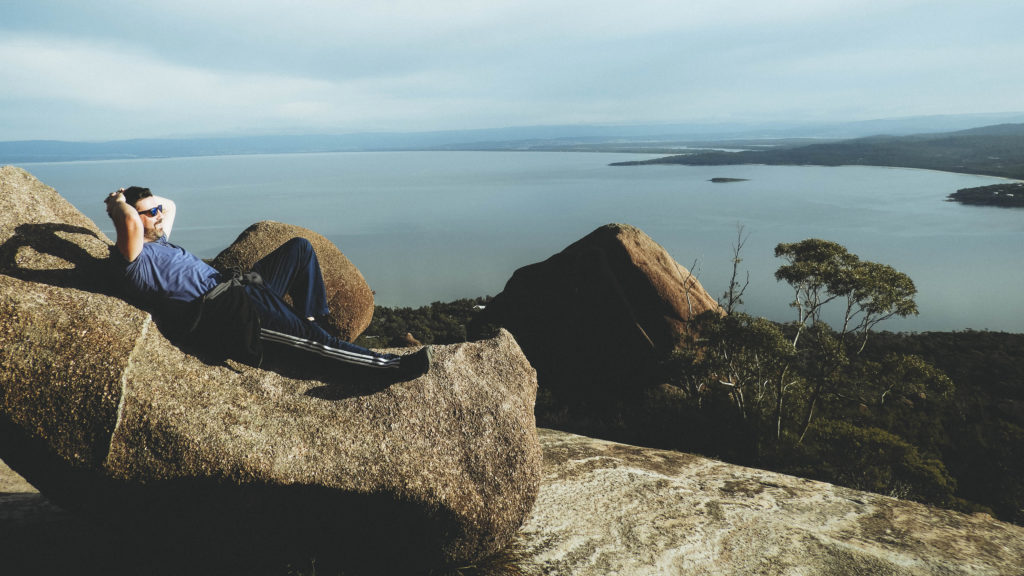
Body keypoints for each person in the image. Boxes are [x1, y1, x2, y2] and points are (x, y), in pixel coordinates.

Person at [104, 186, 430, 377]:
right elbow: (131, 223)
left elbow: (169, 207)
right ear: (131, 220)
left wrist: (146, 204)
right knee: (313, 341)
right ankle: (391, 368)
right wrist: (117, 202)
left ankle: (310, 318)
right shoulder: (132, 261)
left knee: (298, 249)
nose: (160, 215)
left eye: (157, 210)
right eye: (150, 213)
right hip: (230, 312)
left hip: (244, 286)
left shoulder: (156, 239)